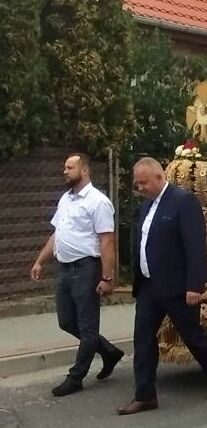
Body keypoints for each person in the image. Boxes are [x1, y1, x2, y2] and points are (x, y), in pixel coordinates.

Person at [119, 157, 207, 415]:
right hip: (148, 286)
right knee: (143, 339)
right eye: (137, 184)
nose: (140, 188)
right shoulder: (146, 207)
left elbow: (194, 248)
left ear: (159, 177)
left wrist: (195, 285)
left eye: (143, 183)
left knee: (192, 335)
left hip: (177, 287)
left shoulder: (183, 202)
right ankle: (145, 395)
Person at [30, 153, 124, 397]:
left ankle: (76, 377)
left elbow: (107, 241)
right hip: (64, 268)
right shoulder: (66, 199)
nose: (64, 171)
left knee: (87, 326)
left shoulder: (98, 202)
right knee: (66, 321)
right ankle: (109, 351)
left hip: (86, 269)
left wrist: (107, 277)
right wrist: (40, 260)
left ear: (84, 170)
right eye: (64, 167)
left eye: (69, 167)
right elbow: (57, 234)